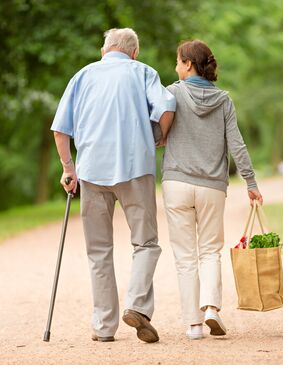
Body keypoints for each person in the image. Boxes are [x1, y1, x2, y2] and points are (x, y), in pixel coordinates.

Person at [51, 28, 175, 343]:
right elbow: (167, 107)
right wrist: (157, 138)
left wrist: (69, 168)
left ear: (104, 50)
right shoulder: (143, 72)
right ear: (133, 52)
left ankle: (104, 327)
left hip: (92, 172)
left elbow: (61, 130)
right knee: (146, 243)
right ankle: (136, 304)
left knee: (98, 251)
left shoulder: (82, 76)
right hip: (135, 169)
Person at [162, 40, 263, 340]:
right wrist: (251, 182)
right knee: (209, 251)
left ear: (189, 65)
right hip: (211, 188)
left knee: (184, 256)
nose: (176, 67)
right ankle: (211, 310)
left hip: (177, 183)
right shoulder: (224, 100)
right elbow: (237, 144)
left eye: (179, 62)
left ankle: (193, 325)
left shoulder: (172, 93)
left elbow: (157, 133)